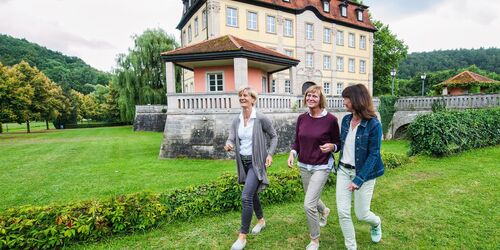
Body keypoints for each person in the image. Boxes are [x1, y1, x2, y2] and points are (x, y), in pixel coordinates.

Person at [287, 85, 340, 250]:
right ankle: (324, 211)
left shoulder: (331, 120)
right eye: (308, 95)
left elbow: (338, 142)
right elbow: (297, 140)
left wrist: (332, 146)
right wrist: (292, 153)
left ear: (320, 99)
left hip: (322, 165)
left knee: (308, 204)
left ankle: (314, 240)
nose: (310, 98)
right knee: (312, 197)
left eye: (314, 96)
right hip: (303, 164)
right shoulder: (302, 118)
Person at [225, 86, 278, 250]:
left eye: (245, 95)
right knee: (252, 193)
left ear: (253, 99)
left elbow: (274, 136)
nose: (242, 98)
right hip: (243, 162)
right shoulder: (237, 120)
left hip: (257, 163)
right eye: (240, 95)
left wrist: (269, 154)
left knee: (246, 196)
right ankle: (261, 220)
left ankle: (242, 237)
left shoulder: (260, 118)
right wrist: (229, 143)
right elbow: (231, 137)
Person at [336, 84, 385, 250]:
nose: (344, 102)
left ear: (356, 99)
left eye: (346, 98)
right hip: (343, 170)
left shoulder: (373, 125)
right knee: (343, 212)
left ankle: (376, 223)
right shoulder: (345, 120)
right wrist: (333, 147)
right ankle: (351, 247)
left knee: (362, 214)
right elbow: (342, 144)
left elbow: (374, 154)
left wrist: (359, 178)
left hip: (365, 174)